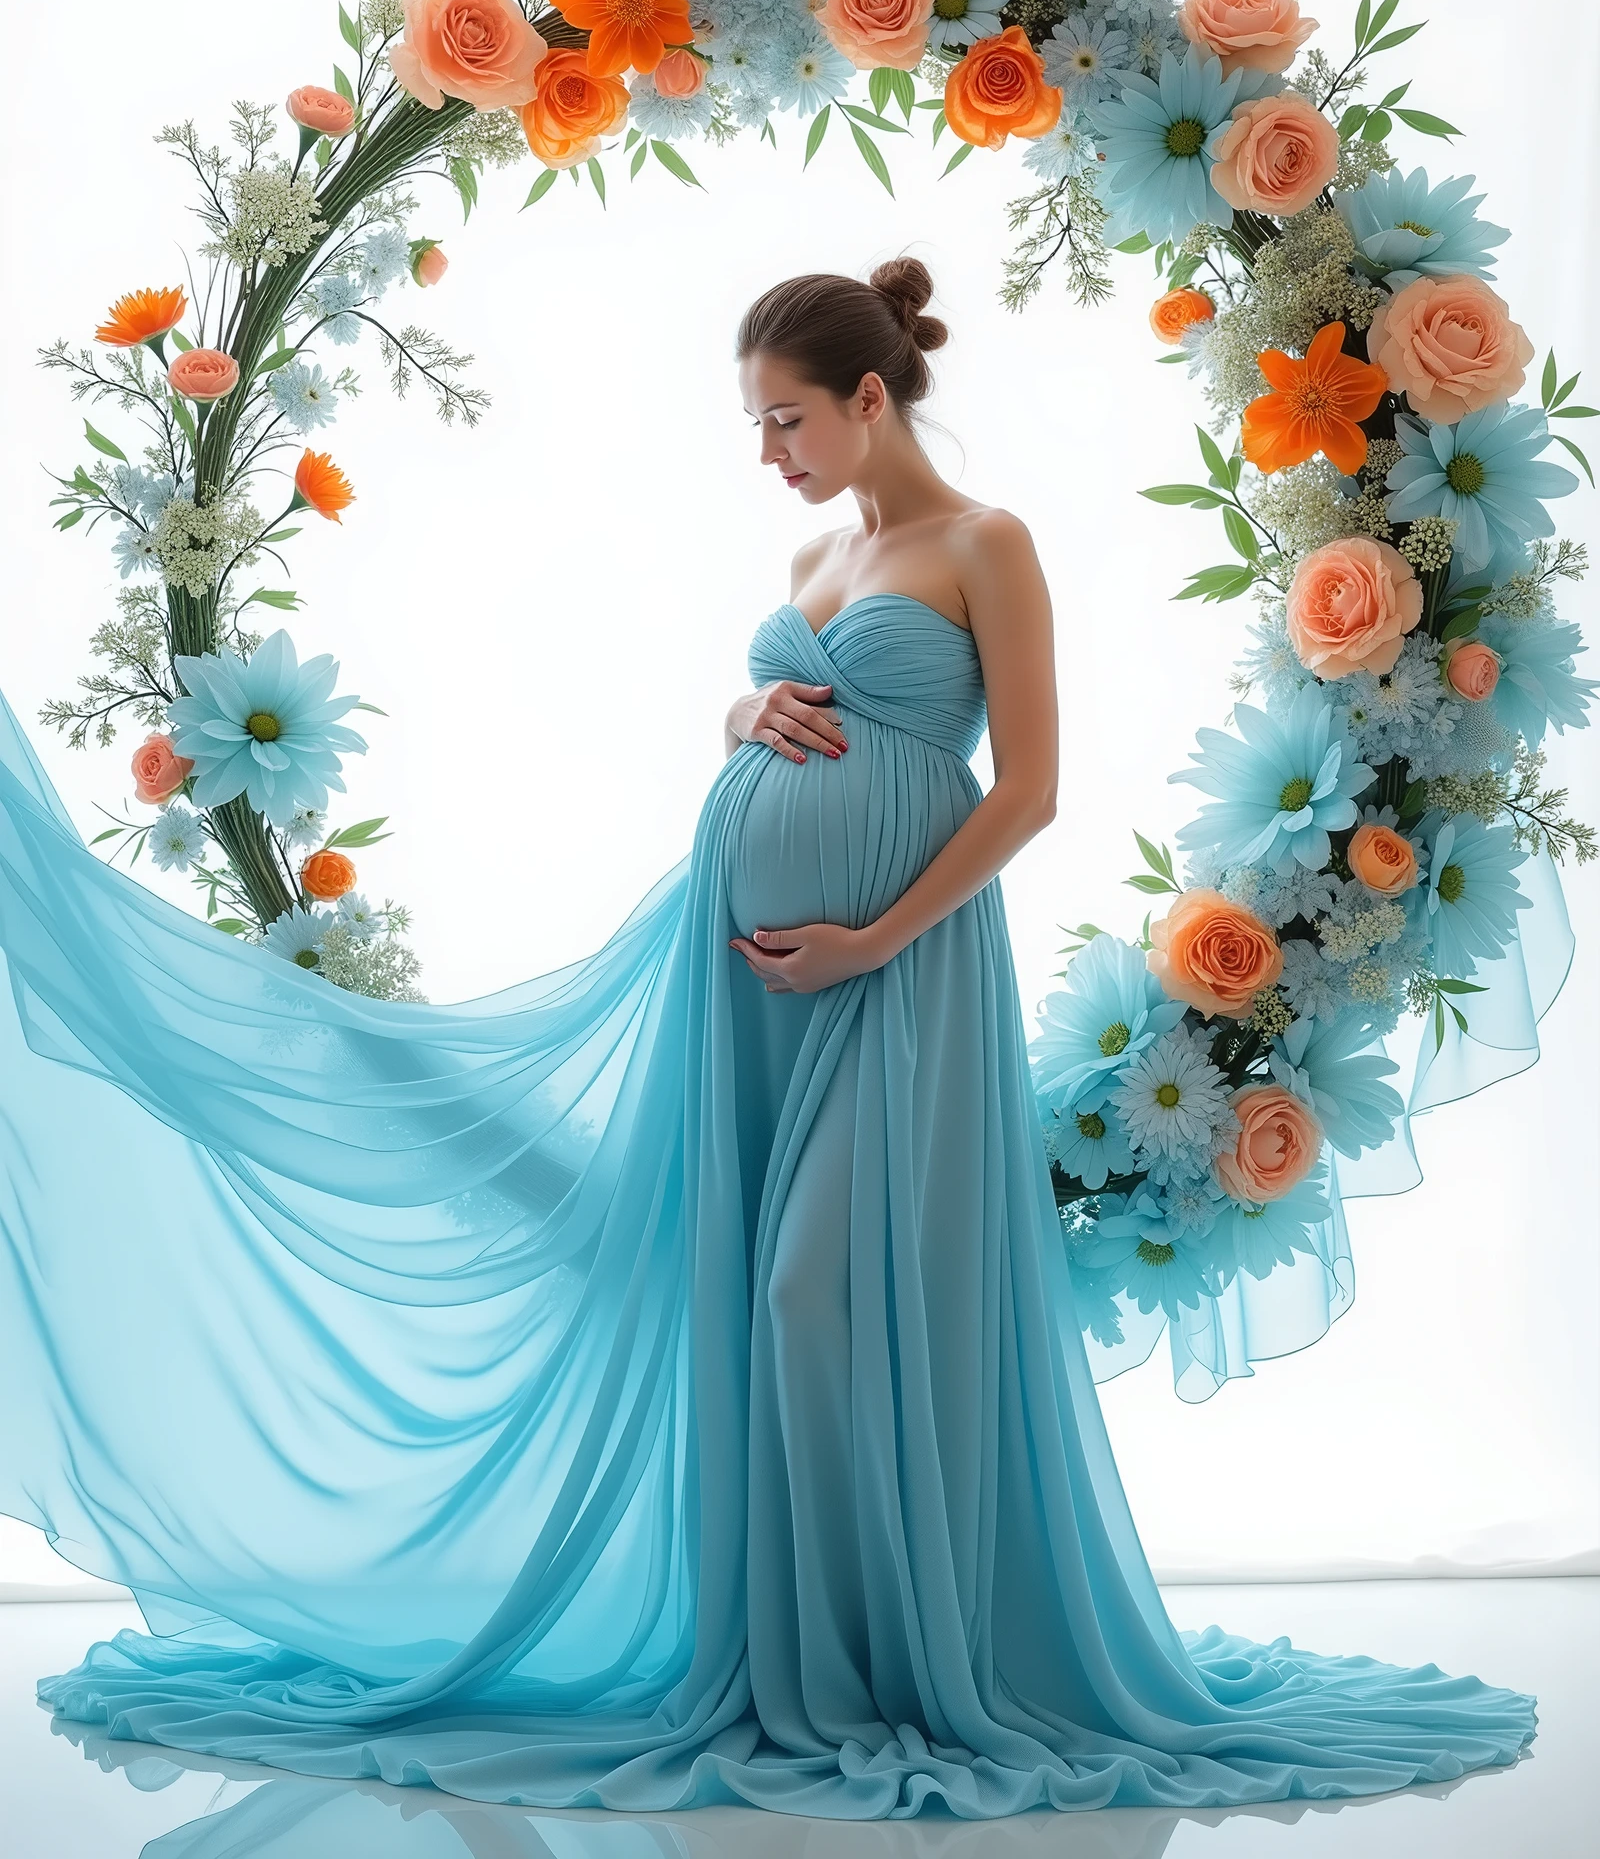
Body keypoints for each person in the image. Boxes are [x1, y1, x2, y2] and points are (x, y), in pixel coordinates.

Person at [0, 258, 1534, 1820]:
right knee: (749, 1299)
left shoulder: (986, 545)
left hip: (895, 980)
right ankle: (791, 1656)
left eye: (787, 419)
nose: (769, 453)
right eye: (755, 423)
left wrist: (874, 936)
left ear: (872, 399)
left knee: (815, 1294)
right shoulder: (816, 544)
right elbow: (773, 712)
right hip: (740, 986)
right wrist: (742, 724)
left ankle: (890, 1663)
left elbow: (1030, 790)